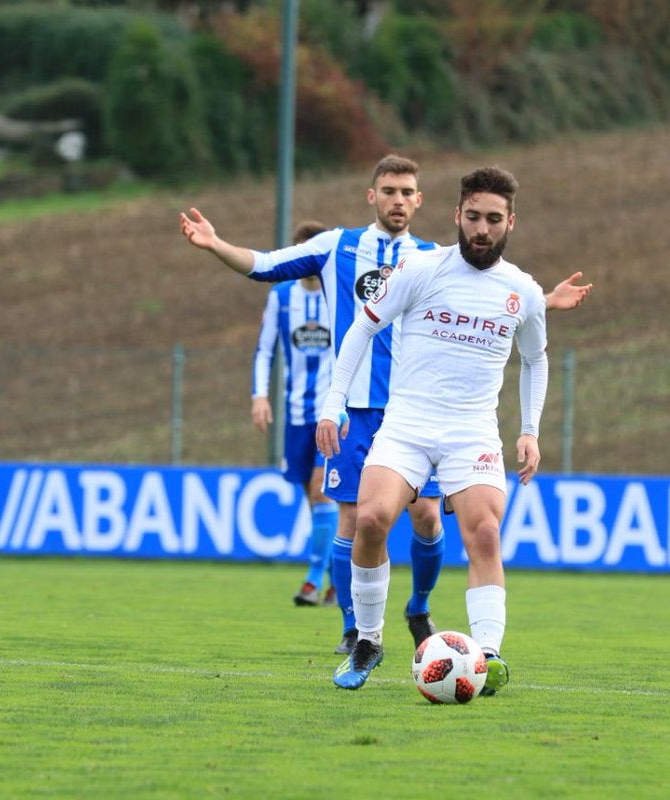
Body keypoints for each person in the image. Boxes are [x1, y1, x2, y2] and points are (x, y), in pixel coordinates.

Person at [180, 155, 590, 657]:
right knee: (356, 521)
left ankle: (418, 607)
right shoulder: (339, 246)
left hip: (426, 413)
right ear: (372, 195)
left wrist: (543, 300)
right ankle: (356, 632)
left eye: (407, 192)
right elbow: (268, 265)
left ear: (421, 201)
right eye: (388, 190)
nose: (397, 199)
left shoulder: (429, 256)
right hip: (358, 409)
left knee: (429, 521)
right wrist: (216, 244)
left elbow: (491, 300)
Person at [316, 165, 544, 695]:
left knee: (485, 533)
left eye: (493, 219)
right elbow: (361, 329)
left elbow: (536, 360)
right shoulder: (420, 269)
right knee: (371, 518)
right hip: (408, 423)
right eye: (473, 217)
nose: (481, 229)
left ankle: (486, 657)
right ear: (456, 215)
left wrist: (529, 429)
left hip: (473, 431)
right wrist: (334, 405)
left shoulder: (523, 292)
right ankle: (368, 640)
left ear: (511, 222)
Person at [250, 220, 338, 607]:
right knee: (311, 495)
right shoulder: (282, 297)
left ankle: (313, 581)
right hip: (296, 412)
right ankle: (337, 577)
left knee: (321, 489)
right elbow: (265, 349)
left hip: (333, 414)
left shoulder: (340, 293)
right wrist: (259, 395)